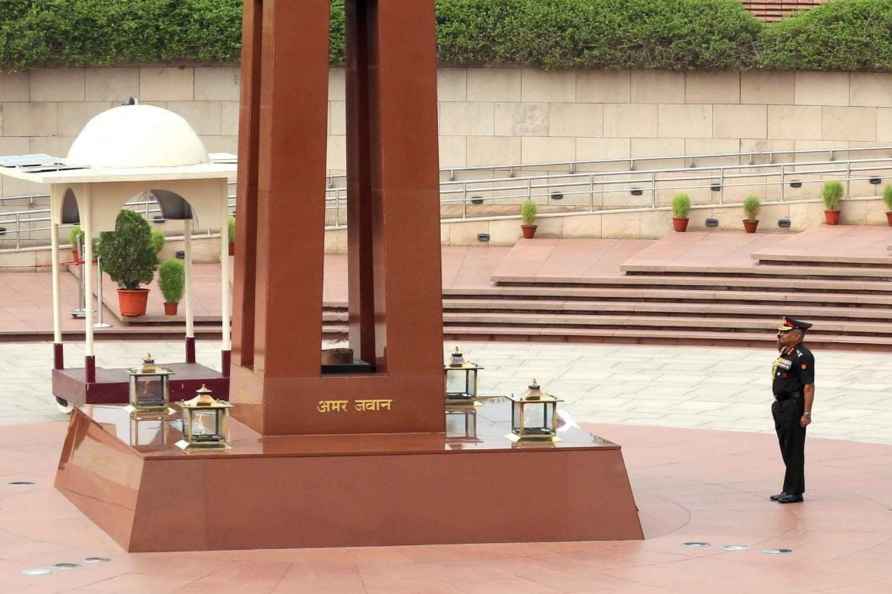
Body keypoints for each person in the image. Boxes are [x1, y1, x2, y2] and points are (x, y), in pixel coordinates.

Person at [770, 317, 815, 504]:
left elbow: (808, 386)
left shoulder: (803, 356)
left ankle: (795, 491)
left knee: (794, 450)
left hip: (794, 407)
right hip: (781, 405)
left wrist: (806, 413)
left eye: (784, 332)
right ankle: (788, 488)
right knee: (786, 448)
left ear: (797, 335)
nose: (779, 334)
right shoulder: (787, 352)